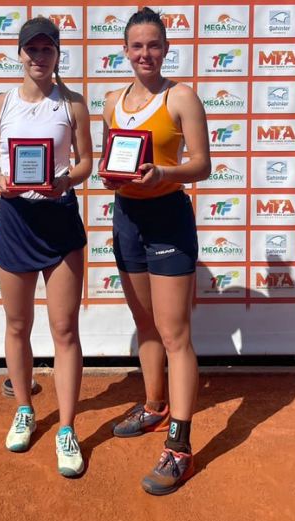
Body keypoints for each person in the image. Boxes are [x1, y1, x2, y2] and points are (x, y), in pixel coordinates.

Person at [100, 7, 211, 495]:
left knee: (174, 334)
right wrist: (111, 178)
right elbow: (112, 159)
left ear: (166, 48)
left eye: (154, 45)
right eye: (137, 45)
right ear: (125, 51)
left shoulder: (181, 96)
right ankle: (153, 406)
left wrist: (165, 173)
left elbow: (203, 165)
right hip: (127, 217)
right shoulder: (111, 101)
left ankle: (179, 447)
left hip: (168, 217)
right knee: (144, 323)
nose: (145, 53)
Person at [0, 17, 93, 477]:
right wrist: (0, 182)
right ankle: (24, 409)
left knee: (64, 330)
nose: (39, 57)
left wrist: (65, 180)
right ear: (20, 54)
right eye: (32, 49)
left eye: (47, 49)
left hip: (59, 218)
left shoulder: (73, 104)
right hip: (16, 220)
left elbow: (86, 162)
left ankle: (66, 428)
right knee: (17, 324)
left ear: (58, 54)